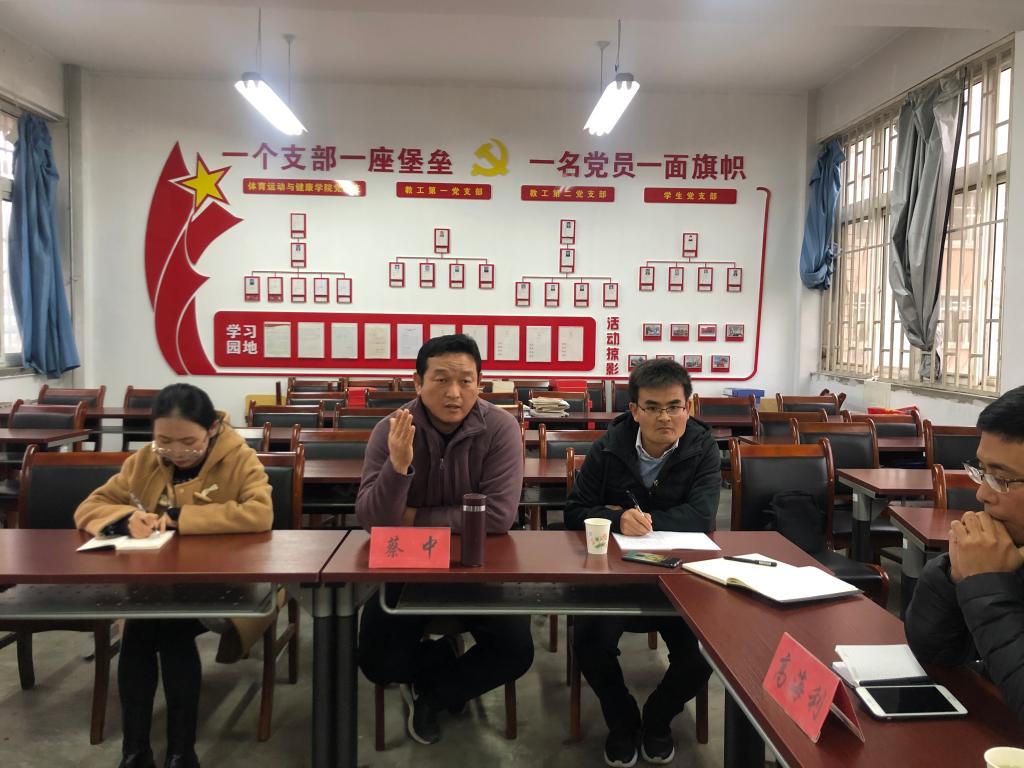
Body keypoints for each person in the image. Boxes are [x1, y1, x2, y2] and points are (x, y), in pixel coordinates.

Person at [75, 383, 273, 768]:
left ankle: (162, 751)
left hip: (226, 583)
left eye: (188, 442)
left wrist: (183, 518)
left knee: (161, 625)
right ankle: (154, 753)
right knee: (149, 625)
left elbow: (260, 513)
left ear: (211, 429)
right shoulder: (145, 460)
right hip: (157, 581)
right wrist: (125, 518)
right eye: (164, 441)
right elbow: (91, 506)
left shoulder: (239, 457)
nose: (177, 452)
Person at [355, 334, 534, 745]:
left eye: (466, 381)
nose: (454, 393)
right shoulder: (391, 430)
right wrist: (397, 468)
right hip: (409, 566)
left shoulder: (501, 428)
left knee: (515, 651)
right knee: (376, 662)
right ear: (417, 382)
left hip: (480, 565)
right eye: (440, 380)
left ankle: (432, 696)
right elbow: (373, 522)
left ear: (480, 383)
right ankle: (441, 658)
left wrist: (412, 516)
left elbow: (498, 516)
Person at [564, 359, 720, 767]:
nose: (664, 417)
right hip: (615, 576)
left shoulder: (703, 448)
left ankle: (657, 719)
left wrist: (640, 521)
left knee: (704, 650)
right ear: (634, 410)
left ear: (689, 406)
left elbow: (702, 517)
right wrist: (615, 518)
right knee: (589, 643)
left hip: (681, 573)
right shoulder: (609, 446)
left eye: (674, 406)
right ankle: (621, 721)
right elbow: (574, 512)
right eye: (652, 407)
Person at [905, 384, 1024, 718]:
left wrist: (986, 585)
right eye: (983, 472)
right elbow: (936, 653)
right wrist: (955, 576)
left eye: (1002, 479)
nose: (982, 494)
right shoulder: (1009, 548)